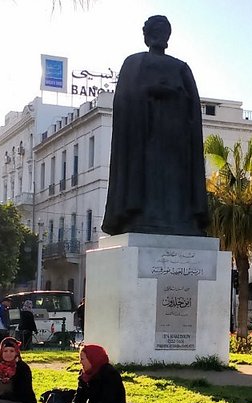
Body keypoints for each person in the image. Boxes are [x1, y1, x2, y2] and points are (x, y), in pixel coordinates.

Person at [101, 15, 209, 237]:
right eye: (156, 31)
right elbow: (123, 100)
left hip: (176, 139)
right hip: (144, 136)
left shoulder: (181, 68)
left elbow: (192, 106)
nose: (160, 35)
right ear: (147, 35)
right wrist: (151, 92)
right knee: (146, 180)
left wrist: (173, 95)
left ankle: (180, 220)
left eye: (164, 31)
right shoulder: (133, 63)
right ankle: (140, 216)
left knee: (174, 183)